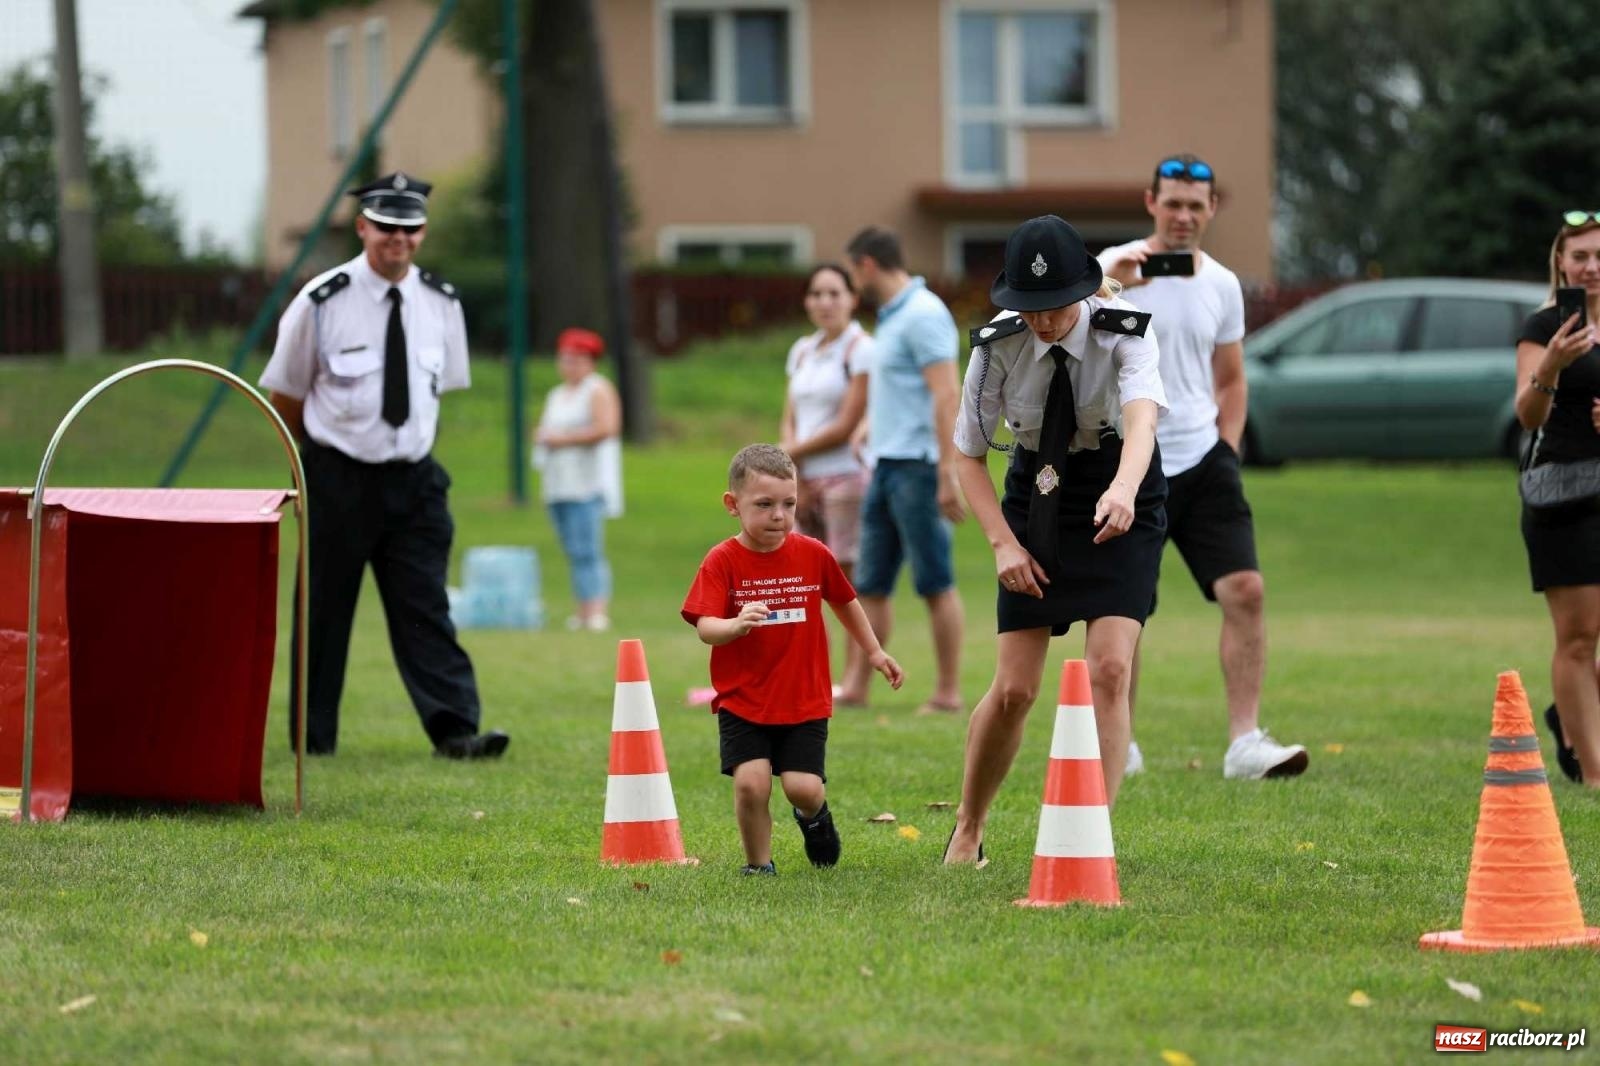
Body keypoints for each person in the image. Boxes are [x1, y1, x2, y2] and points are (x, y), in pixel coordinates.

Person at [944, 215, 1168, 865]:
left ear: (1085, 289)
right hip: (1036, 487)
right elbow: (967, 458)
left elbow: (1143, 418)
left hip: (1120, 479)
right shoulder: (996, 346)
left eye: (1054, 307)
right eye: (1029, 308)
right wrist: (1002, 545)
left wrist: (1124, 490)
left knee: (1111, 667)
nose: (1042, 321)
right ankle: (968, 825)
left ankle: (1085, 837)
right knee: (1015, 690)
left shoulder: (1122, 330)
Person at [261, 172, 509, 759]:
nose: (398, 239)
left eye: (410, 228)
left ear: (423, 232)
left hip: (414, 480)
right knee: (324, 611)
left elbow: (434, 394)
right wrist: (312, 470)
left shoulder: (442, 303)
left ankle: (455, 730)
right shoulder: (321, 301)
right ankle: (313, 740)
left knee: (425, 606)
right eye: (387, 227)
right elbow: (287, 394)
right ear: (363, 226)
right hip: (338, 474)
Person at [1098, 154, 1307, 780]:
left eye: (1196, 205)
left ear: (1212, 209)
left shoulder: (1221, 283)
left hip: (1203, 457)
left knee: (1245, 590)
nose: (1184, 216)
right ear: (1150, 201)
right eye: (1173, 203)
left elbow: (1232, 378)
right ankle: (1121, 742)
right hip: (1128, 460)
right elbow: (1068, 332)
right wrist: (1112, 281)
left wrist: (1228, 448)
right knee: (1125, 606)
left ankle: (1245, 744)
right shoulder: (1111, 267)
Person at [681, 444, 905, 875]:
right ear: (733, 504)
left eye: (789, 504)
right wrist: (735, 625)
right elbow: (705, 624)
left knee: (803, 788)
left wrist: (874, 651)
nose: (779, 516)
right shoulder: (721, 561)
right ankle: (758, 866)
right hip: (743, 698)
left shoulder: (813, 554)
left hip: (803, 699)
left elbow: (845, 601)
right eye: (764, 505)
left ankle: (814, 818)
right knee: (752, 783)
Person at [845, 226, 966, 714]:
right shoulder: (893, 317)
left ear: (868, 264)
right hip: (885, 466)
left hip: (918, 468)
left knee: (934, 581)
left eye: (853, 271)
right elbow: (902, 386)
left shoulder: (923, 315)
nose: (854, 280)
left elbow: (946, 394)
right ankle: (855, 685)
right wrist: (869, 425)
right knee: (870, 583)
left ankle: (948, 692)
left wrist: (946, 473)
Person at [1516, 211, 1600, 789]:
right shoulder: (1545, 325)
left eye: (1599, 256)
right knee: (1578, 637)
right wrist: (1554, 362)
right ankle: (1595, 775)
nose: (1592, 267)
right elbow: (1527, 415)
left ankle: (1571, 717)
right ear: (1561, 263)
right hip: (1566, 491)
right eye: (1581, 257)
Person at [779, 263, 874, 700]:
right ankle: (809, 673)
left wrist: (790, 456)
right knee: (799, 581)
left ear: (852, 298)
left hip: (846, 476)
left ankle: (854, 682)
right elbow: (791, 416)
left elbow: (846, 422)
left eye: (834, 293)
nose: (825, 302)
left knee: (843, 582)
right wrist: (789, 471)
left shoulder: (860, 348)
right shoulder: (801, 350)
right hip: (801, 479)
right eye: (817, 293)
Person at [534, 326, 623, 632]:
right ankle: (581, 610)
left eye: (576, 359)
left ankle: (597, 610)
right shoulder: (556, 394)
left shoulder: (597, 389)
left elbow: (606, 428)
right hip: (559, 483)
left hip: (586, 484)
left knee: (588, 548)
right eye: (565, 358)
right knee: (572, 549)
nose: (569, 365)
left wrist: (563, 439)